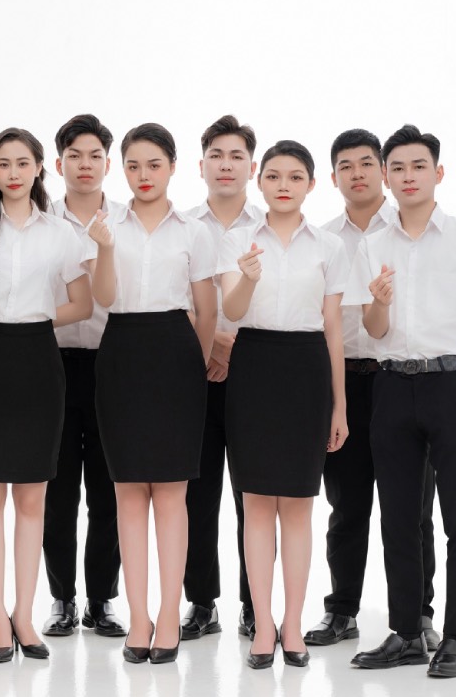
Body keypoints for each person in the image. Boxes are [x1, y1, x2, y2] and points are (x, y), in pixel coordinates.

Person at [349, 125, 456, 679]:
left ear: (437, 173)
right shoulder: (372, 245)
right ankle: (405, 632)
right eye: (396, 168)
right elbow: (372, 331)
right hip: (391, 386)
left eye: (418, 166)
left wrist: (449, 338)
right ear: (386, 178)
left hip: (449, 385)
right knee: (398, 517)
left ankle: (455, 635)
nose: (407, 177)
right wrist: (378, 302)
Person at [0, 127, 93, 662]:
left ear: (38, 169)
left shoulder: (62, 234)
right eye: (3, 163)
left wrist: (37, 316)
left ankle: (25, 616)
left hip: (37, 357)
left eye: (22, 162)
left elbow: (83, 302)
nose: (12, 172)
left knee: (32, 498)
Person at [217, 139, 349, 669]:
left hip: (306, 368)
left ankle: (293, 624)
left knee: (297, 507)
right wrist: (247, 277)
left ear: (311, 185)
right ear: (258, 180)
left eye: (295, 177)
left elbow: (335, 329)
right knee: (255, 506)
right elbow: (229, 309)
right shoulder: (237, 240)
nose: (283, 185)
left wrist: (339, 407)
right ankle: (263, 626)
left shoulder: (329, 247)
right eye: (273, 176)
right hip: (253, 366)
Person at [305, 129, 439, 649]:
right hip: (342, 383)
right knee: (346, 504)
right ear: (333, 177)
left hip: (398, 380)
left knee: (413, 509)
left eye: (367, 163)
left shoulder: (407, 228)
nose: (356, 173)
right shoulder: (321, 237)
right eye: (345, 165)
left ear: (384, 171)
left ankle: (418, 616)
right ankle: (342, 611)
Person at [90, 123, 216, 663]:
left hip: (176, 354)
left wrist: (198, 363)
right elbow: (102, 297)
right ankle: (138, 616)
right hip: (120, 348)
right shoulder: (104, 225)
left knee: (170, 493)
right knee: (126, 493)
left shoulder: (194, 231)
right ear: (123, 169)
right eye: (134, 166)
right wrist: (103, 250)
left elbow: (207, 309)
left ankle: (169, 614)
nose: (144, 176)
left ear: (173, 167)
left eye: (154, 165)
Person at [41, 114, 124, 639]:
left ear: (107, 164)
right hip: (50, 365)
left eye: (95, 155)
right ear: (59, 163)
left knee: (109, 489)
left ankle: (102, 600)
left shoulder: (127, 222)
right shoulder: (39, 222)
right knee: (57, 487)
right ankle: (61, 599)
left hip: (113, 364)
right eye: (75, 155)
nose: (85, 164)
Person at [181, 115, 262, 641]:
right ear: (201, 164)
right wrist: (211, 341)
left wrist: (235, 346)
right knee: (196, 490)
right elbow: (168, 294)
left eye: (236, 156)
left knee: (254, 493)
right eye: (217, 155)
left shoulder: (271, 225)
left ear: (252, 167)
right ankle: (202, 602)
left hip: (258, 372)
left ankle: (255, 605)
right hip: (192, 369)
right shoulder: (181, 226)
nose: (226, 165)